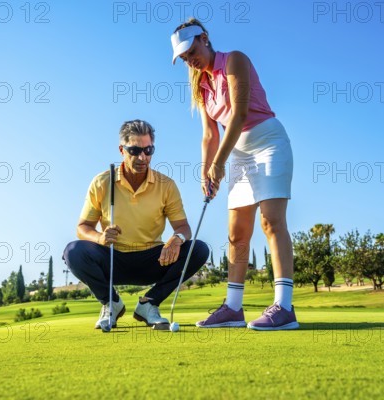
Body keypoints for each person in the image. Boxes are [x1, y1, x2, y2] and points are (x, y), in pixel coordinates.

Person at [170, 19, 298, 330]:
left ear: (205, 38)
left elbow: (239, 115)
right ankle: (233, 307)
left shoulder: (235, 60)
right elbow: (209, 136)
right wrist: (206, 169)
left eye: (191, 51)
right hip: (237, 151)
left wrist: (219, 163)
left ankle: (284, 306)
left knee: (271, 221)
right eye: (184, 57)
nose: (190, 59)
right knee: (237, 233)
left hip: (267, 141)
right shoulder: (201, 84)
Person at [63, 119, 209, 331]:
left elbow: (183, 227)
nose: (143, 157)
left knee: (199, 249)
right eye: (135, 150)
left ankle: (149, 304)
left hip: (153, 259)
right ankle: (111, 302)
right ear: (122, 150)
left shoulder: (166, 185)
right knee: (73, 251)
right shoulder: (102, 182)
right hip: (113, 259)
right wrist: (100, 238)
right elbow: (82, 227)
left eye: (148, 150)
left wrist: (176, 240)